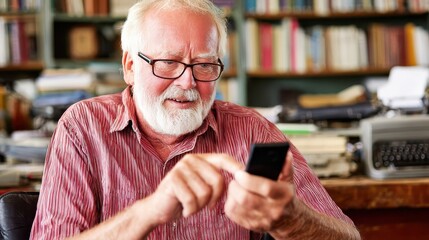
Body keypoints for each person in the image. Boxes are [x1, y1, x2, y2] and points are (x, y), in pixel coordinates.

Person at [30, 0, 361, 239]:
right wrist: (150, 212)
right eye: (169, 63)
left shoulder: (252, 130)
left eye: (204, 65)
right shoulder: (83, 127)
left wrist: (291, 220)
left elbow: (347, 237)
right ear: (130, 66)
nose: (187, 82)